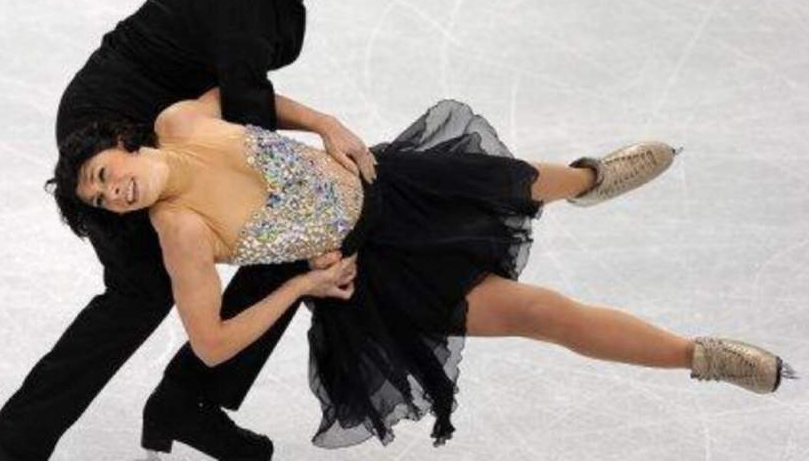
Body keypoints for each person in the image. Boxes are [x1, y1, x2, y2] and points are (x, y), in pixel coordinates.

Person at [49, 90, 797, 449]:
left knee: (530, 181)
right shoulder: (179, 230)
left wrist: (326, 125)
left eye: (103, 174)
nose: (113, 192)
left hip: (394, 183)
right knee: (542, 312)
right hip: (378, 275)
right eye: (101, 200)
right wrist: (302, 285)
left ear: (123, 143)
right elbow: (210, 342)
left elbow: (257, 93)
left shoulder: (184, 120)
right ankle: (702, 356)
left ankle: (590, 177)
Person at [0, 0, 367, 460]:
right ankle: (14, 447)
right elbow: (246, 108)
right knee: (147, 285)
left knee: (282, 225)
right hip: (108, 127)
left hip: (160, 111)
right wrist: (319, 153)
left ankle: (188, 402)